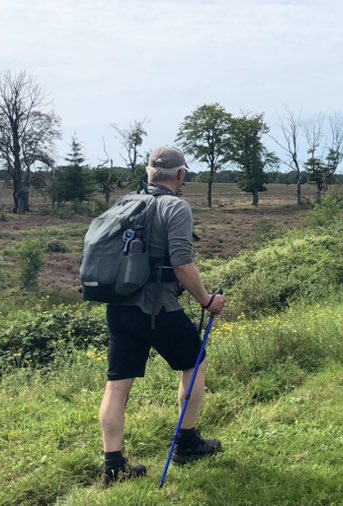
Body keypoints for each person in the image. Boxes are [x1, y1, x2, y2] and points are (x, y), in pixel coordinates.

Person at [98, 146, 227, 486]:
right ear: (181, 175)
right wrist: (206, 299)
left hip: (119, 306)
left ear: (148, 174)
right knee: (195, 363)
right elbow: (183, 262)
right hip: (158, 307)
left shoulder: (126, 204)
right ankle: (186, 442)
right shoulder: (176, 207)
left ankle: (113, 466)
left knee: (117, 383)